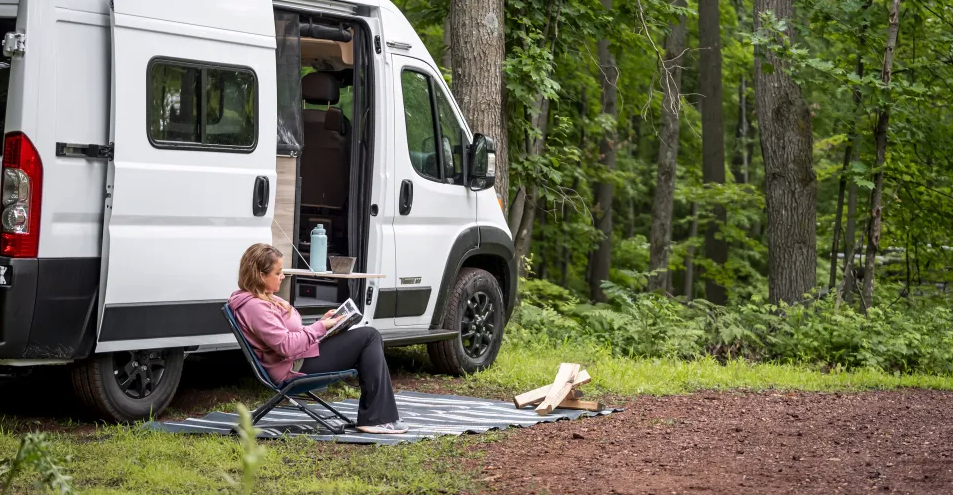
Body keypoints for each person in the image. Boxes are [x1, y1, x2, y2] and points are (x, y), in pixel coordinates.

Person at [227, 243, 408, 434]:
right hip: (293, 367)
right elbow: (286, 346)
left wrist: (322, 323)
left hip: (300, 357)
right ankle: (377, 419)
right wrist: (321, 327)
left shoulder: (264, 298)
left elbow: (289, 335)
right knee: (369, 337)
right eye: (278, 272)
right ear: (260, 275)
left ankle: (377, 416)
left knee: (368, 337)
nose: (283, 276)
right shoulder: (255, 307)